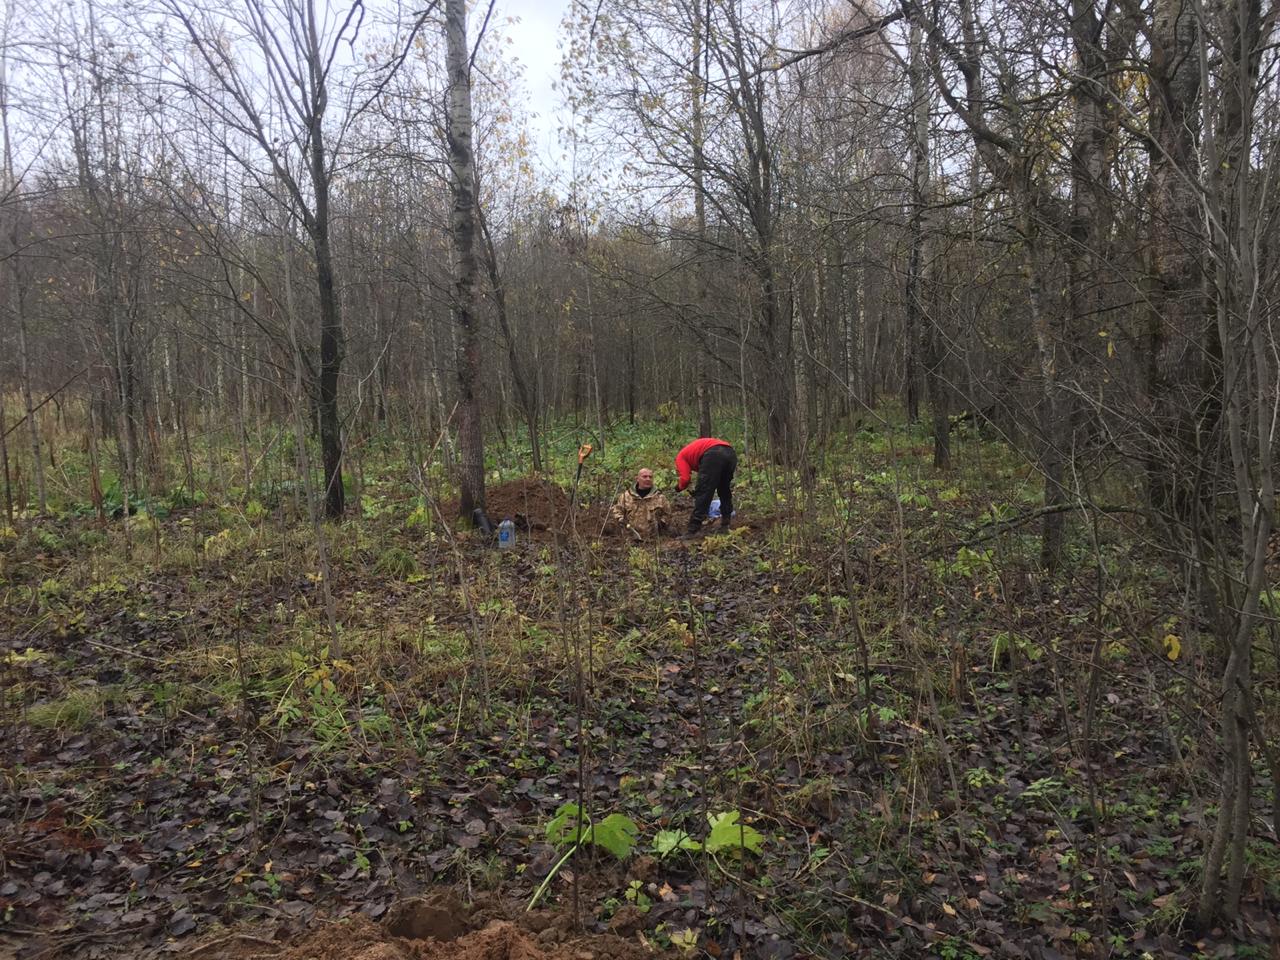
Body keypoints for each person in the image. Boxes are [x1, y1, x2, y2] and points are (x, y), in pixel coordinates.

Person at [674, 437, 737, 537]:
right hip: (730, 453)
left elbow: (685, 479)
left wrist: (678, 487)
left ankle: (693, 529)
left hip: (713, 454)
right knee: (724, 489)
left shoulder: (680, 457)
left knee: (704, 491)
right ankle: (726, 522)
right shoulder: (692, 451)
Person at [607, 468, 672, 540]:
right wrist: (622, 521)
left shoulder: (660, 498)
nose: (648, 479)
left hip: (654, 541)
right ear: (637, 479)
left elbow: (668, 514)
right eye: (644, 477)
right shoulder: (626, 496)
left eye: (650, 477)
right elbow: (617, 511)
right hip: (629, 540)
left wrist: (661, 524)